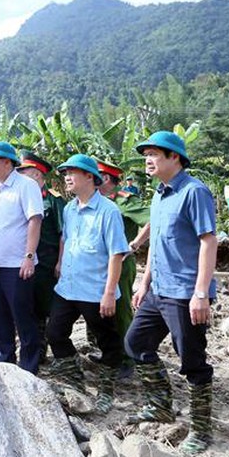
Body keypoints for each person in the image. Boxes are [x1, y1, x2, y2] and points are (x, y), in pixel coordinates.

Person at [126, 131, 218, 455]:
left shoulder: (195, 192)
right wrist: (145, 282)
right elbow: (156, 243)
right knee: (136, 342)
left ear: (174, 157)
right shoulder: (159, 194)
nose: (147, 160)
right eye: (146, 154)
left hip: (185, 293)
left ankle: (201, 429)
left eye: (154, 154)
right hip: (159, 288)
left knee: (192, 361)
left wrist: (201, 293)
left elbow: (208, 241)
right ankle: (161, 404)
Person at [46, 154, 129, 413]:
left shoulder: (109, 211)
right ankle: (75, 380)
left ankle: (106, 390)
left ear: (90, 178)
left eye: (73, 172)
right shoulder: (70, 209)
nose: (67, 177)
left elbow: (117, 254)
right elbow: (67, 239)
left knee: (108, 342)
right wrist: (60, 262)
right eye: (66, 173)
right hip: (68, 286)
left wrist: (108, 293)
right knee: (55, 333)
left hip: (95, 290)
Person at [0, 141, 43, 373]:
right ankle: (5, 359)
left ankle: (29, 366)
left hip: (16, 263)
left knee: (22, 316)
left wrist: (29, 255)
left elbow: (35, 220)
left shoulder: (25, 185)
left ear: (7, 162)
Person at [95, 159, 151, 378]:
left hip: (120, 263)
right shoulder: (95, 201)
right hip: (99, 264)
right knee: (102, 311)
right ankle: (111, 354)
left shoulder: (124, 201)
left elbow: (152, 219)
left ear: (106, 179)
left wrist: (135, 244)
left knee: (120, 311)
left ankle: (128, 359)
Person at [17, 151, 65, 363]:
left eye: (23, 171)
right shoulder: (22, 195)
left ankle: (42, 351)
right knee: (27, 306)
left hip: (46, 263)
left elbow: (64, 233)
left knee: (44, 308)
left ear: (37, 174)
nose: (19, 175)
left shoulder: (54, 200)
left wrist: (60, 262)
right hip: (23, 262)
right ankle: (33, 350)